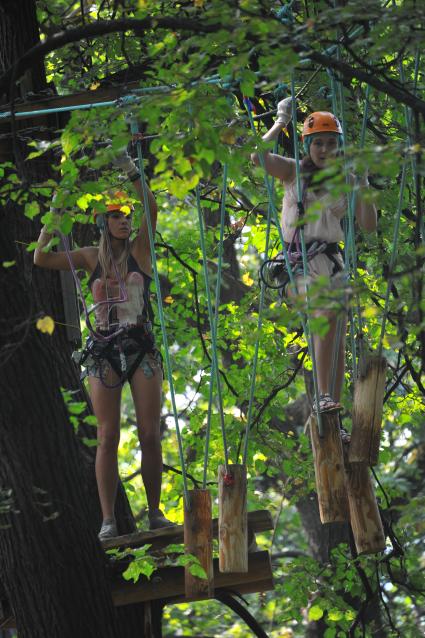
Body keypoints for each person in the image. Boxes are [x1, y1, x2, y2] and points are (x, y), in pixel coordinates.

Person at [34, 145, 173, 539]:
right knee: (107, 435)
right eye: (117, 216)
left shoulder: (141, 253)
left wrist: (128, 166)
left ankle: (156, 511)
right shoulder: (88, 257)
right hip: (104, 351)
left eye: (127, 216)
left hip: (139, 347)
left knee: (149, 432)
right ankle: (108, 519)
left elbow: (150, 204)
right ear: (103, 222)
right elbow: (41, 258)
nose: (125, 221)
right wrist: (56, 209)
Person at [251, 97, 377, 415]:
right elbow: (258, 156)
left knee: (337, 335)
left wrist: (363, 183)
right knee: (324, 314)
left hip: (330, 263)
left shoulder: (346, 182)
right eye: (317, 143)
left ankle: (332, 409)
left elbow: (369, 224)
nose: (324, 149)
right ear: (307, 144)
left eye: (331, 143)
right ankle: (322, 397)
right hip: (298, 264)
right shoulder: (293, 172)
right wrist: (281, 121)